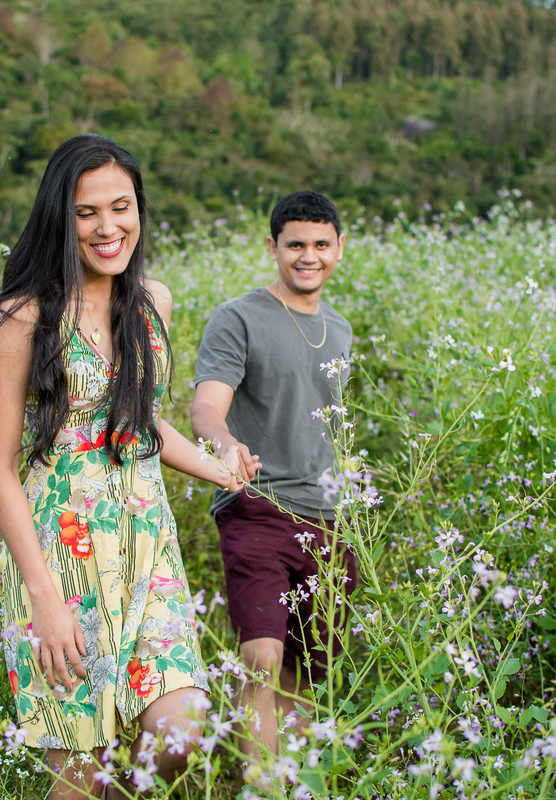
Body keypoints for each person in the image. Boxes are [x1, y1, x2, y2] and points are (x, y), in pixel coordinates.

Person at [0, 134, 247, 799]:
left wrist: (220, 468)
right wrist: (44, 600)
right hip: (61, 556)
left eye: (121, 207)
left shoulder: (153, 303)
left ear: (139, 210)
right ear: (62, 216)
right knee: (79, 773)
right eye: (88, 212)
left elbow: (140, 424)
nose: (108, 226)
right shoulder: (22, 318)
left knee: (183, 727)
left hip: (148, 544)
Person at [190, 190, 357, 761]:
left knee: (307, 672)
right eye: (295, 245)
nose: (308, 256)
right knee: (260, 658)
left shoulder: (341, 330)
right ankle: (260, 784)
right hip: (258, 505)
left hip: (330, 517)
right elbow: (206, 407)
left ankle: (282, 776)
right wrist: (228, 446)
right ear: (273, 248)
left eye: (320, 244)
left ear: (339, 248)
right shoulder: (237, 317)